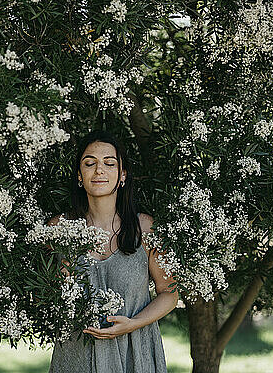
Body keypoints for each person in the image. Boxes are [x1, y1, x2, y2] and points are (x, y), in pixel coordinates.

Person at [47, 129, 178, 373]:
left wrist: (133, 324)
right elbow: (45, 293)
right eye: (89, 163)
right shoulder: (58, 229)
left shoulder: (145, 228)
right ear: (79, 175)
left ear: (122, 175)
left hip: (134, 352)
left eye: (109, 163)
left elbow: (169, 293)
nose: (99, 170)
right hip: (77, 354)